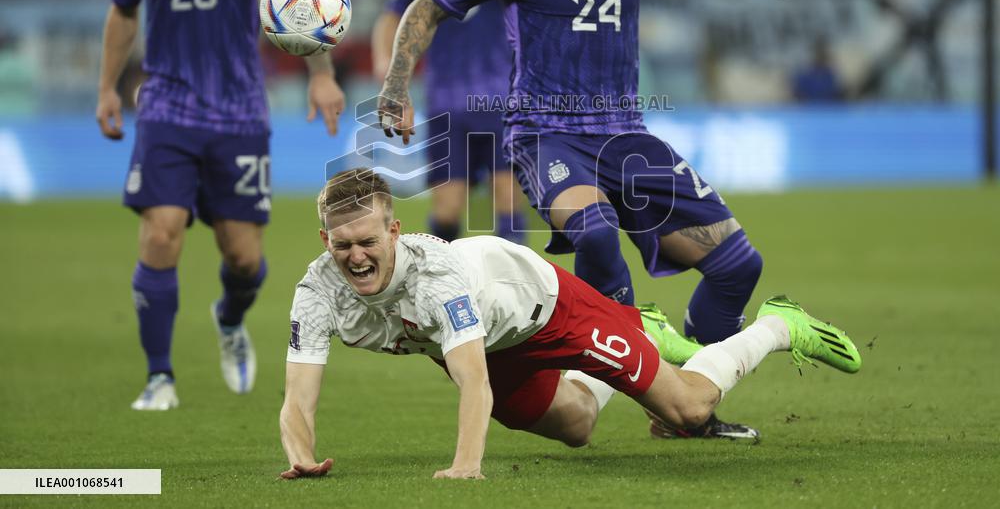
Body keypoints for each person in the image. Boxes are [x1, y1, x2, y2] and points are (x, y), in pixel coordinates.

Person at [376, 0, 794, 438]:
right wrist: (395, 84)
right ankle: (657, 386)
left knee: (738, 267)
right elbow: (426, 8)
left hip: (626, 138)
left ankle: (684, 400)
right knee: (595, 233)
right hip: (545, 135)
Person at [278, 168, 860, 480]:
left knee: (686, 410)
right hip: (490, 340)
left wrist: (465, 467)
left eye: (368, 242)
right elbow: (298, 397)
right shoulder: (317, 292)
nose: (356, 257)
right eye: (343, 245)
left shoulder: (437, 278)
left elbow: (473, 381)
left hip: (548, 307)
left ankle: (777, 326)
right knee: (577, 428)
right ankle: (642, 330)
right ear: (325, 240)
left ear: (395, 231)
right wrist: (301, 455)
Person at [95, 0, 345, 411]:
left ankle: (229, 318)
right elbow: (124, 11)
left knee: (244, 259)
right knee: (161, 232)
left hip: (238, 112)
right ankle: (159, 377)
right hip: (167, 104)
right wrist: (106, 87)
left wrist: (322, 75)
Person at [371, 0, 527, 245]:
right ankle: (446, 276)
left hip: (503, 100)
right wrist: (386, 66)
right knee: (447, 212)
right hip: (446, 102)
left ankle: (513, 283)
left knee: (508, 205)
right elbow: (393, 16)